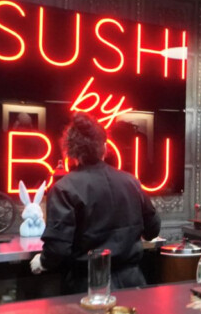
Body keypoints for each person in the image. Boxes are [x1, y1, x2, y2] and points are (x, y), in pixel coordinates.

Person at [30, 114, 161, 292]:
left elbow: (58, 248)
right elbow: (153, 230)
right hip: (133, 284)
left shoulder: (64, 188)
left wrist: (42, 262)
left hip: (87, 287)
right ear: (105, 148)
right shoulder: (131, 182)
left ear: (69, 150)